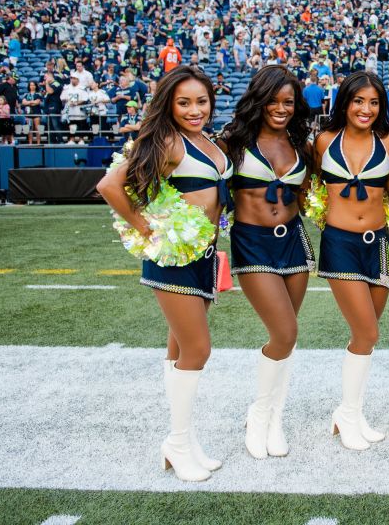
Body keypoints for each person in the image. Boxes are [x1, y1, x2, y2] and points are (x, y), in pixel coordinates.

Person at [95, 65, 233, 483]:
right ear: (169, 104)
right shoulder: (166, 140)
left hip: (204, 254)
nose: (195, 110)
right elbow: (109, 184)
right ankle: (176, 441)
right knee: (197, 351)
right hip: (173, 257)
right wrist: (143, 227)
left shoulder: (207, 139)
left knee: (178, 352)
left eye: (201, 101)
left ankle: (184, 442)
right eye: (184, 102)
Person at [219, 65, 314, 460]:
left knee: (286, 339)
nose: (281, 108)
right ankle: (259, 413)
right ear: (259, 99)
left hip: (294, 243)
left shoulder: (301, 146)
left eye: (288, 101)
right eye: (274, 100)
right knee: (285, 332)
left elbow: (308, 195)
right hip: (252, 243)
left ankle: (274, 417)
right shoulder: (233, 143)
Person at [314, 71, 389, 451]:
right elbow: (307, 189)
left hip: (379, 244)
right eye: (358, 101)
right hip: (340, 245)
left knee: (363, 337)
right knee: (367, 332)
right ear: (345, 102)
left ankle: (349, 412)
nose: (366, 109)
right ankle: (349, 415)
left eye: (373, 102)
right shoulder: (323, 141)